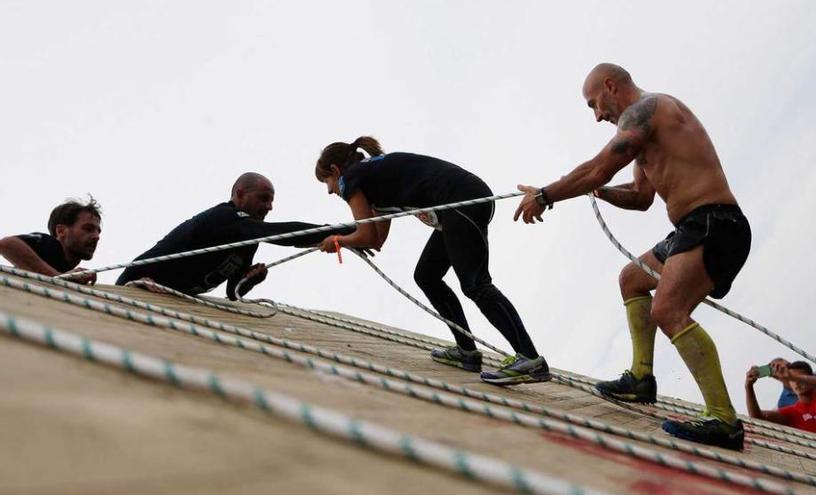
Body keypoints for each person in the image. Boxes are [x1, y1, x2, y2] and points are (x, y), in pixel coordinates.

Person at [513, 63, 750, 449]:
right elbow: (641, 198)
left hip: (715, 222)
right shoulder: (643, 139)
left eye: (595, 104)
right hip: (692, 228)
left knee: (668, 311)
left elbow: (597, 168)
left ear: (610, 86)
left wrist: (545, 195)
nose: (597, 116)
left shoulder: (647, 110)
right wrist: (598, 192)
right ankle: (642, 379)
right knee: (632, 279)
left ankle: (724, 419)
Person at [314, 137, 550, 385]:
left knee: (476, 284)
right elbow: (376, 239)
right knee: (426, 276)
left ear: (335, 171)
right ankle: (467, 352)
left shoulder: (350, 178)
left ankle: (530, 359)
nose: (330, 190)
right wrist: (350, 241)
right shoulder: (373, 176)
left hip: (459, 202)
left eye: (326, 182)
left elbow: (367, 234)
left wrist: (337, 241)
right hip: (458, 204)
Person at [117, 173, 351, 300]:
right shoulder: (225, 217)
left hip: (173, 296)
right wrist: (341, 231)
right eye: (263, 198)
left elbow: (232, 292)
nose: (269, 207)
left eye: (271, 201)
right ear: (240, 194)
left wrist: (249, 281)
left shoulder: (248, 238)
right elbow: (279, 234)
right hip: (138, 283)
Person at [0, 197, 102, 284]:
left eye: (98, 232)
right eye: (88, 229)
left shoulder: (65, 267)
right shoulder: (50, 244)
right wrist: (58, 277)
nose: (96, 237)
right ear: (61, 231)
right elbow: (7, 244)